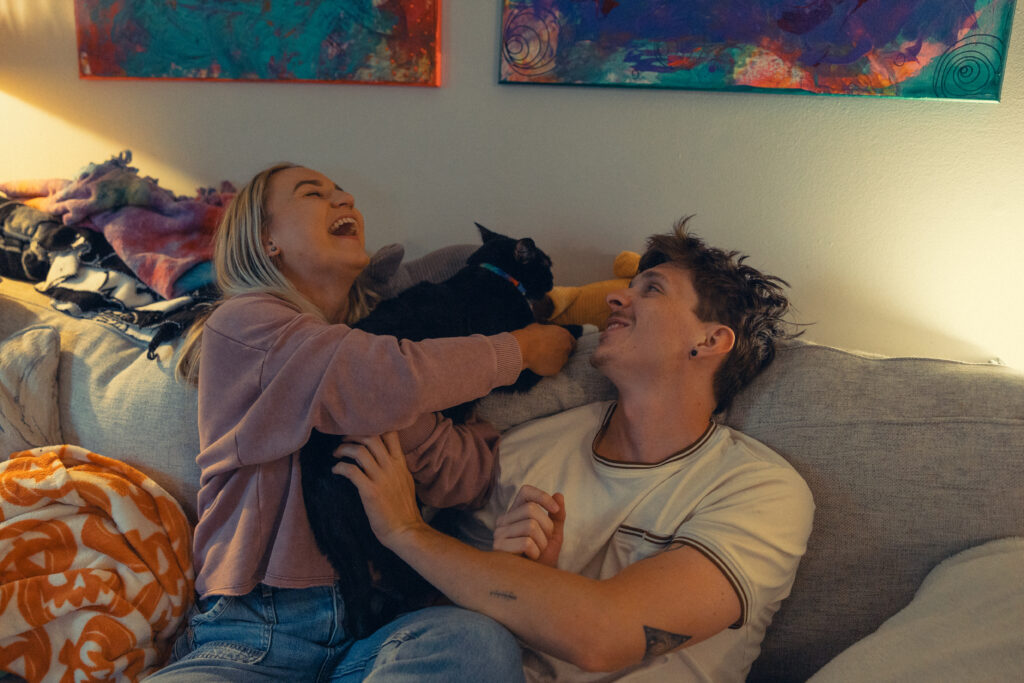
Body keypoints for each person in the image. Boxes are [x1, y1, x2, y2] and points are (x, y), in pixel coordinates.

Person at [332, 218, 815, 682]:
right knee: (474, 638)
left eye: (651, 289)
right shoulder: (525, 451)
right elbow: (434, 635)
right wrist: (519, 581)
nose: (614, 296)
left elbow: (606, 634)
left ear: (710, 340)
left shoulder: (760, 489)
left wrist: (406, 530)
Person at [150, 162, 575, 682]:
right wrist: (521, 349)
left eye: (343, 192)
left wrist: (412, 427)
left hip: (378, 628)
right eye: (314, 194)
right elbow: (379, 378)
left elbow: (465, 479)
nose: (345, 199)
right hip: (254, 635)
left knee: (477, 643)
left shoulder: (374, 353)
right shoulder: (245, 325)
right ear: (266, 241)